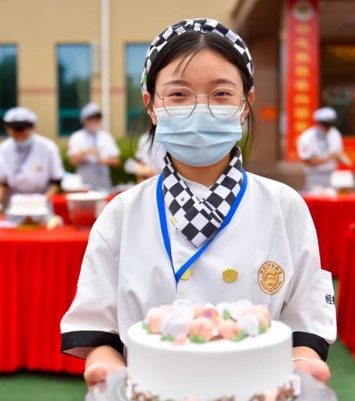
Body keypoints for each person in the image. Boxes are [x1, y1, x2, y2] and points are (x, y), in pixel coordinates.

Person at [60, 18, 336, 388]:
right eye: (178, 94)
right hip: (150, 391)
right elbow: (99, 330)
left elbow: (306, 322)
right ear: (151, 105)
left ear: (246, 104)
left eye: (221, 94)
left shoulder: (285, 206)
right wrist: (107, 370)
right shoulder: (121, 213)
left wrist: (302, 365)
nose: (200, 109)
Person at [0, 107, 64, 209]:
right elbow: (1, 182)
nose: (19, 135)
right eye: (15, 131)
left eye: (23, 130)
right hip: (15, 204)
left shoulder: (48, 147)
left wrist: (41, 201)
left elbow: (56, 181)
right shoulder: (4, 149)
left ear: (33, 127)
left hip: (42, 202)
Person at [67, 103, 120, 192]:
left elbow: (117, 161)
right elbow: (72, 161)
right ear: (84, 120)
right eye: (92, 118)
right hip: (83, 184)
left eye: (97, 118)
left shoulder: (106, 136)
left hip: (103, 183)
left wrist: (104, 160)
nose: (95, 121)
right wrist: (86, 152)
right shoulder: (76, 137)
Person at [297, 107, 352, 191]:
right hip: (315, 177)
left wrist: (343, 158)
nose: (328, 128)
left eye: (330, 124)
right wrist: (330, 157)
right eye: (325, 124)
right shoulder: (307, 137)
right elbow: (308, 161)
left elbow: (339, 152)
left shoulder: (335, 133)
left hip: (333, 175)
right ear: (318, 123)